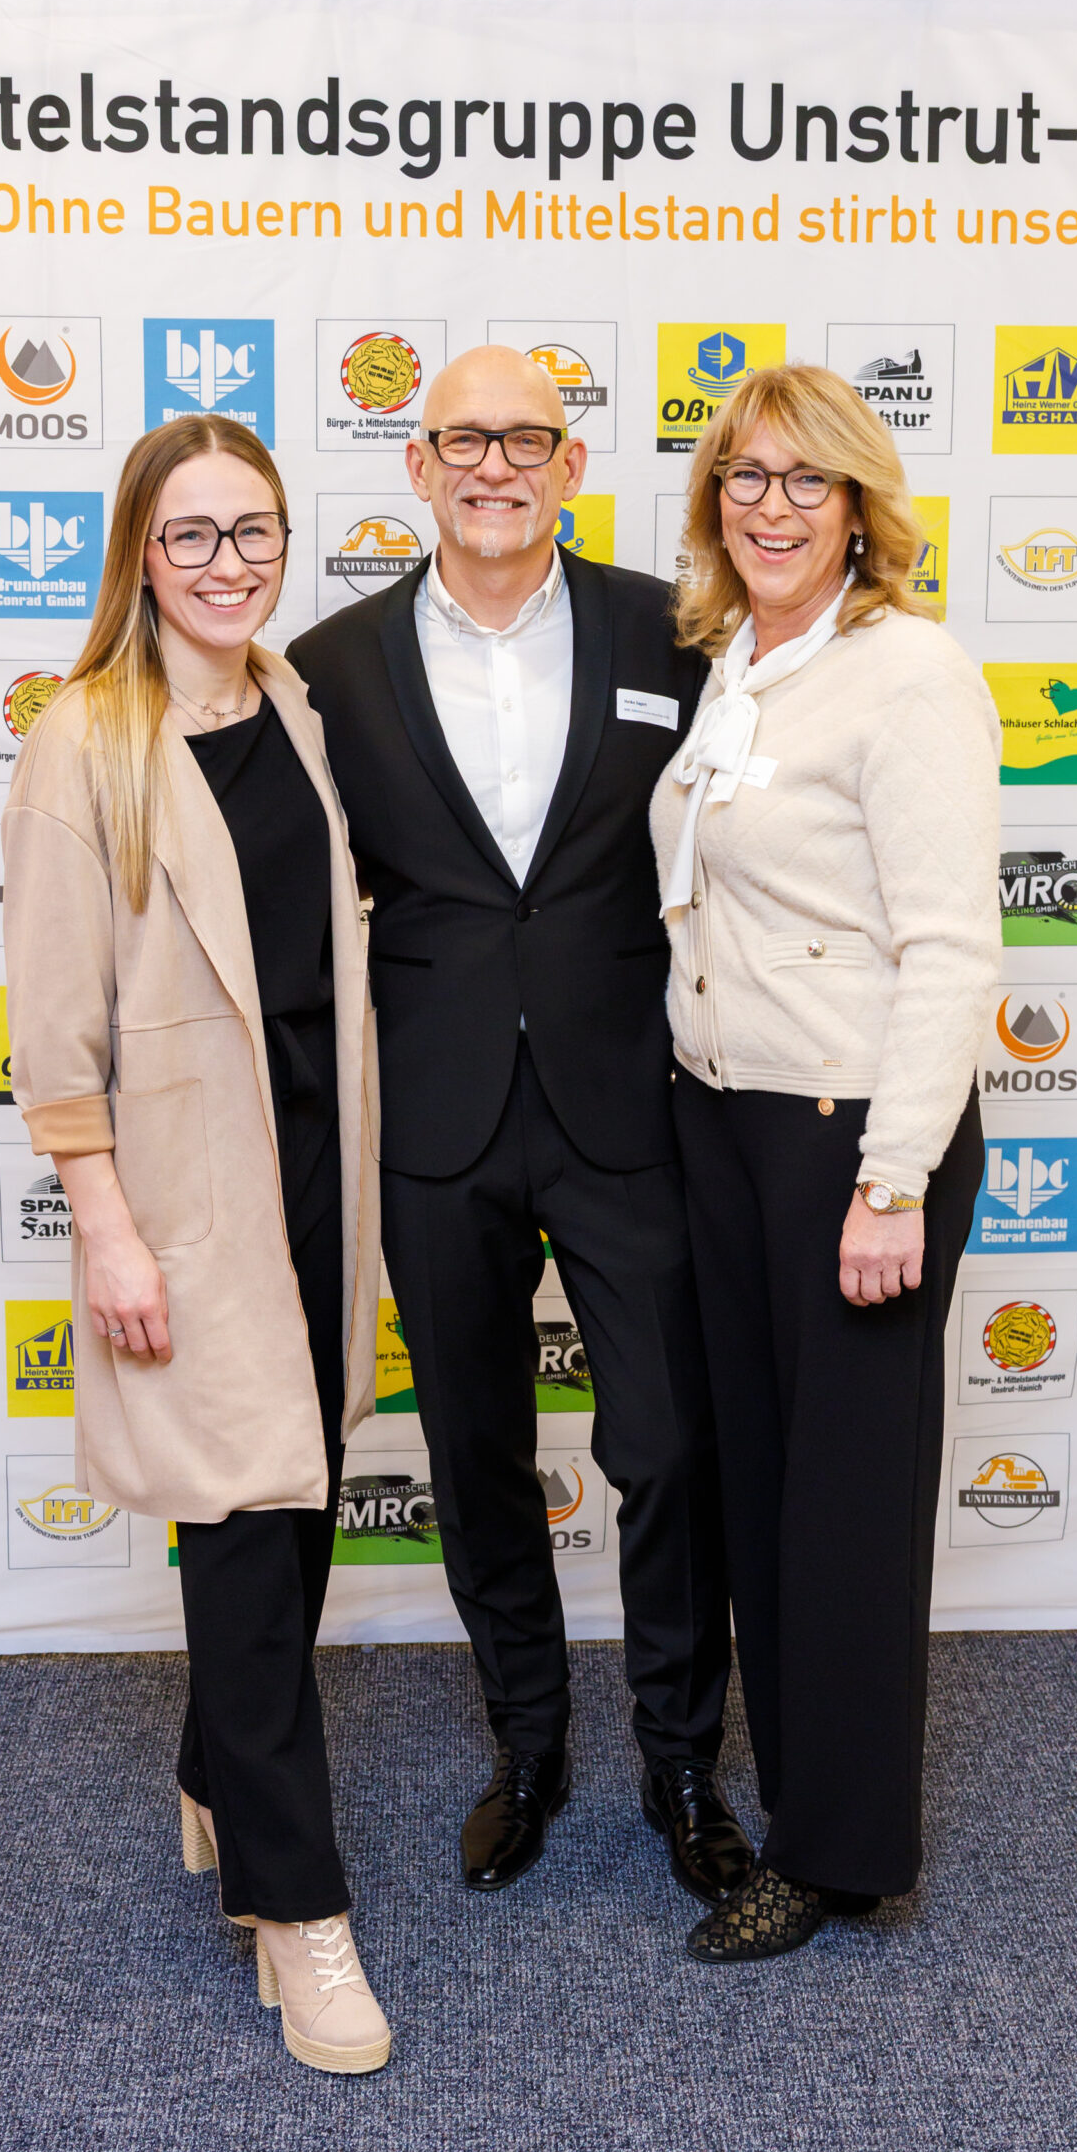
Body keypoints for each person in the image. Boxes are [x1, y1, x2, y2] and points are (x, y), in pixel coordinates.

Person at [289, 344, 752, 1909]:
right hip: (437, 1116)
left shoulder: (672, 632)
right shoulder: (330, 666)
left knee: (670, 1446)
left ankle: (682, 1763)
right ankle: (529, 1744)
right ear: (418, 466)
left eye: (527, 439)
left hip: (630, 1100)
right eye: (465, 440)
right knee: (474, 1450)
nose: (496, 465)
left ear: (571, 464)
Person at [3, 415, 390, 2074]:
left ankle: (213, 1772)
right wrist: (107, 1227)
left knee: (294, 1508)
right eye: (193, 536)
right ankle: (296, 1914)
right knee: (237, 1527)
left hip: (318, 1166)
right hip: (183, 1188)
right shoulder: (83, 741)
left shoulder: (294, 704)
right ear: (140, 556)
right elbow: (55, 1028)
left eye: (255, 532)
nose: (229, 564)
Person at [650, 363, 1001, 1964]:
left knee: (845, 1509)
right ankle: (799, 1802)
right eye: (745, 475)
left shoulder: (907, 672)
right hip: (726, 1125)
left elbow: (950, 949)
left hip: (850, 1138)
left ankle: (841, 1856)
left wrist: (893, 1179)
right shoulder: (735, 660)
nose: (771, 505)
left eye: (806, 479)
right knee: (766, 1494)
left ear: (860, 506)